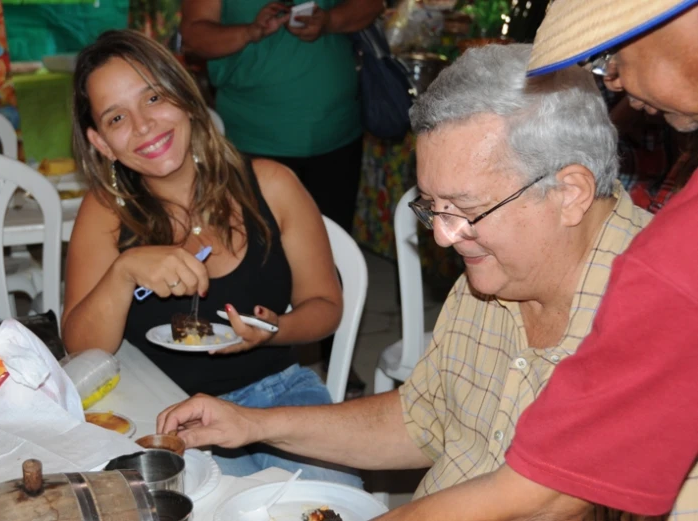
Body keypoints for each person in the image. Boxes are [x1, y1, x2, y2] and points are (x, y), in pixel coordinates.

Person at [156, 43, 654, 518]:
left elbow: (558, 500)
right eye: (433, 207)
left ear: (569, 193)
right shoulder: (496, 273)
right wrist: (253, 423)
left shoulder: (662, 312)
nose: (443, 236)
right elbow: (423, 418)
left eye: (467, 209)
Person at [60, 28, 360, 486]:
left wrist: (273, 331)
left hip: (281, 397)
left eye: (154, 97)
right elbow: (80, 347)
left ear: (184, 96)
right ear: (102, 143)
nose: (143, 126)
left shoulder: (272, 184)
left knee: (332, 504)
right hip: (166, 410)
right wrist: (124, 272)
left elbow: (325, 306)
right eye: (116, 118)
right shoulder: (106, 213)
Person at [179, 0, 384, 396]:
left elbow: (370, 4)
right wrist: (251, 32)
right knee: (251, 258)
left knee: (329, 258)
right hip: (253, 139)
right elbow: (195, 35)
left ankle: (331, 352)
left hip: (334, 130)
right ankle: (245, 359)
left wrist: (330, 21)